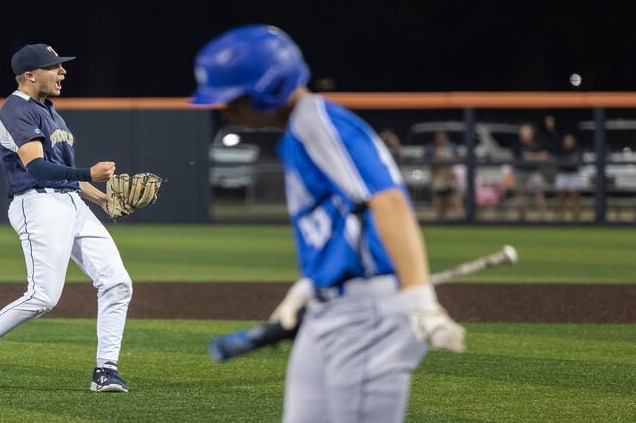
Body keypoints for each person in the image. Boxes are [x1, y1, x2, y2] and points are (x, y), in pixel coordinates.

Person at [191, 25, 464, 423]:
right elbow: (347, 217)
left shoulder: (316, 122)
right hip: (331, 308)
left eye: (234, 99)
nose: (226, 110)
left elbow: (389, 202)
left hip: (367, 313)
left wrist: (419, 300)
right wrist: (312, 281)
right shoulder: (299, 131)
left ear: (270, 87)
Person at [0, 44, 133, 392]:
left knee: (117, 282)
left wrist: (101, 199)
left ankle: (105, 371)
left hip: (71, 204)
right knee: (43, 296)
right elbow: (37, 167)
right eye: (54, 67)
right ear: (30, 75)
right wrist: (90, 172)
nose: (62, 72)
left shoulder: (51, 112)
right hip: (37, 204)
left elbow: (64, 174)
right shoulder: (15, 110)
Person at [513, 123, 549, 220]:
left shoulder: (538, 143)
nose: (524, 134)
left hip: (534, 172)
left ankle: (542, 218)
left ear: (531, 133)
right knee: (520, 197)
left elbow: (545, 156)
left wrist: (532, 156)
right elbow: (524, 156)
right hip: (521, 172)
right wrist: (537, 156)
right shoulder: (517, 144)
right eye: (522, 132)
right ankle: (522, 219)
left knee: (539, 194)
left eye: (526, 132)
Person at [426, 131, 463, 220]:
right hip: (439, 183)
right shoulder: (431, 150)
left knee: (457, 208)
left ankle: (461, 226)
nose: (441, 140)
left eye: (443, 137)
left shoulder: (452, 148)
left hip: (451, 182)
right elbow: (432, 169)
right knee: (440, 212)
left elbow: (457, 163)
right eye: (438, 137)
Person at [554, 133, 583, 220]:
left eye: (570, 139)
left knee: (575, 196)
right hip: (562, 174)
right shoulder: (560, 150)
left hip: (573, 175)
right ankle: (561, 216)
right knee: (561, 196)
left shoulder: (577, 150)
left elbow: (579, 163)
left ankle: (576, 216)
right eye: (567, 139)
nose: (569, 141)